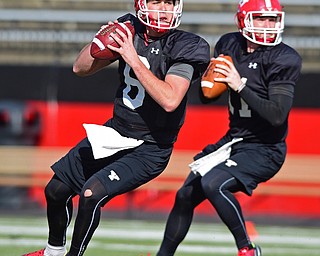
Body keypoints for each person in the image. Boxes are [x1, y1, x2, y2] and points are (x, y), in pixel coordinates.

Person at [22, 1, 210, 256]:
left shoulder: (186, 45)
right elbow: (80, 68)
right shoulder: (128, 28)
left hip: (151, 147)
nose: (165, 10)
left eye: (170, 3)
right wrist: (99, 43)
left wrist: (132, 58)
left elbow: (170, 100)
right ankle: (53, 251)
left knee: (91, 194)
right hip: (116, 132)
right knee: (56, 190)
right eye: (158, 3)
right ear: (142, 4)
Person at [156, 0, 302, 255]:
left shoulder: (284, 57)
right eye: (260, 18)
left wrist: (240, 85)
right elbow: (206, 97)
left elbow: (277, 116)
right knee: (185, 196)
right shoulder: (229, 44)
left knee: (214, 183)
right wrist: (211, 81)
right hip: (234, 141)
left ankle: (247, 249)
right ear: (242, 20)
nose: (267, 25)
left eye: (272, 19)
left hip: (265, 149)